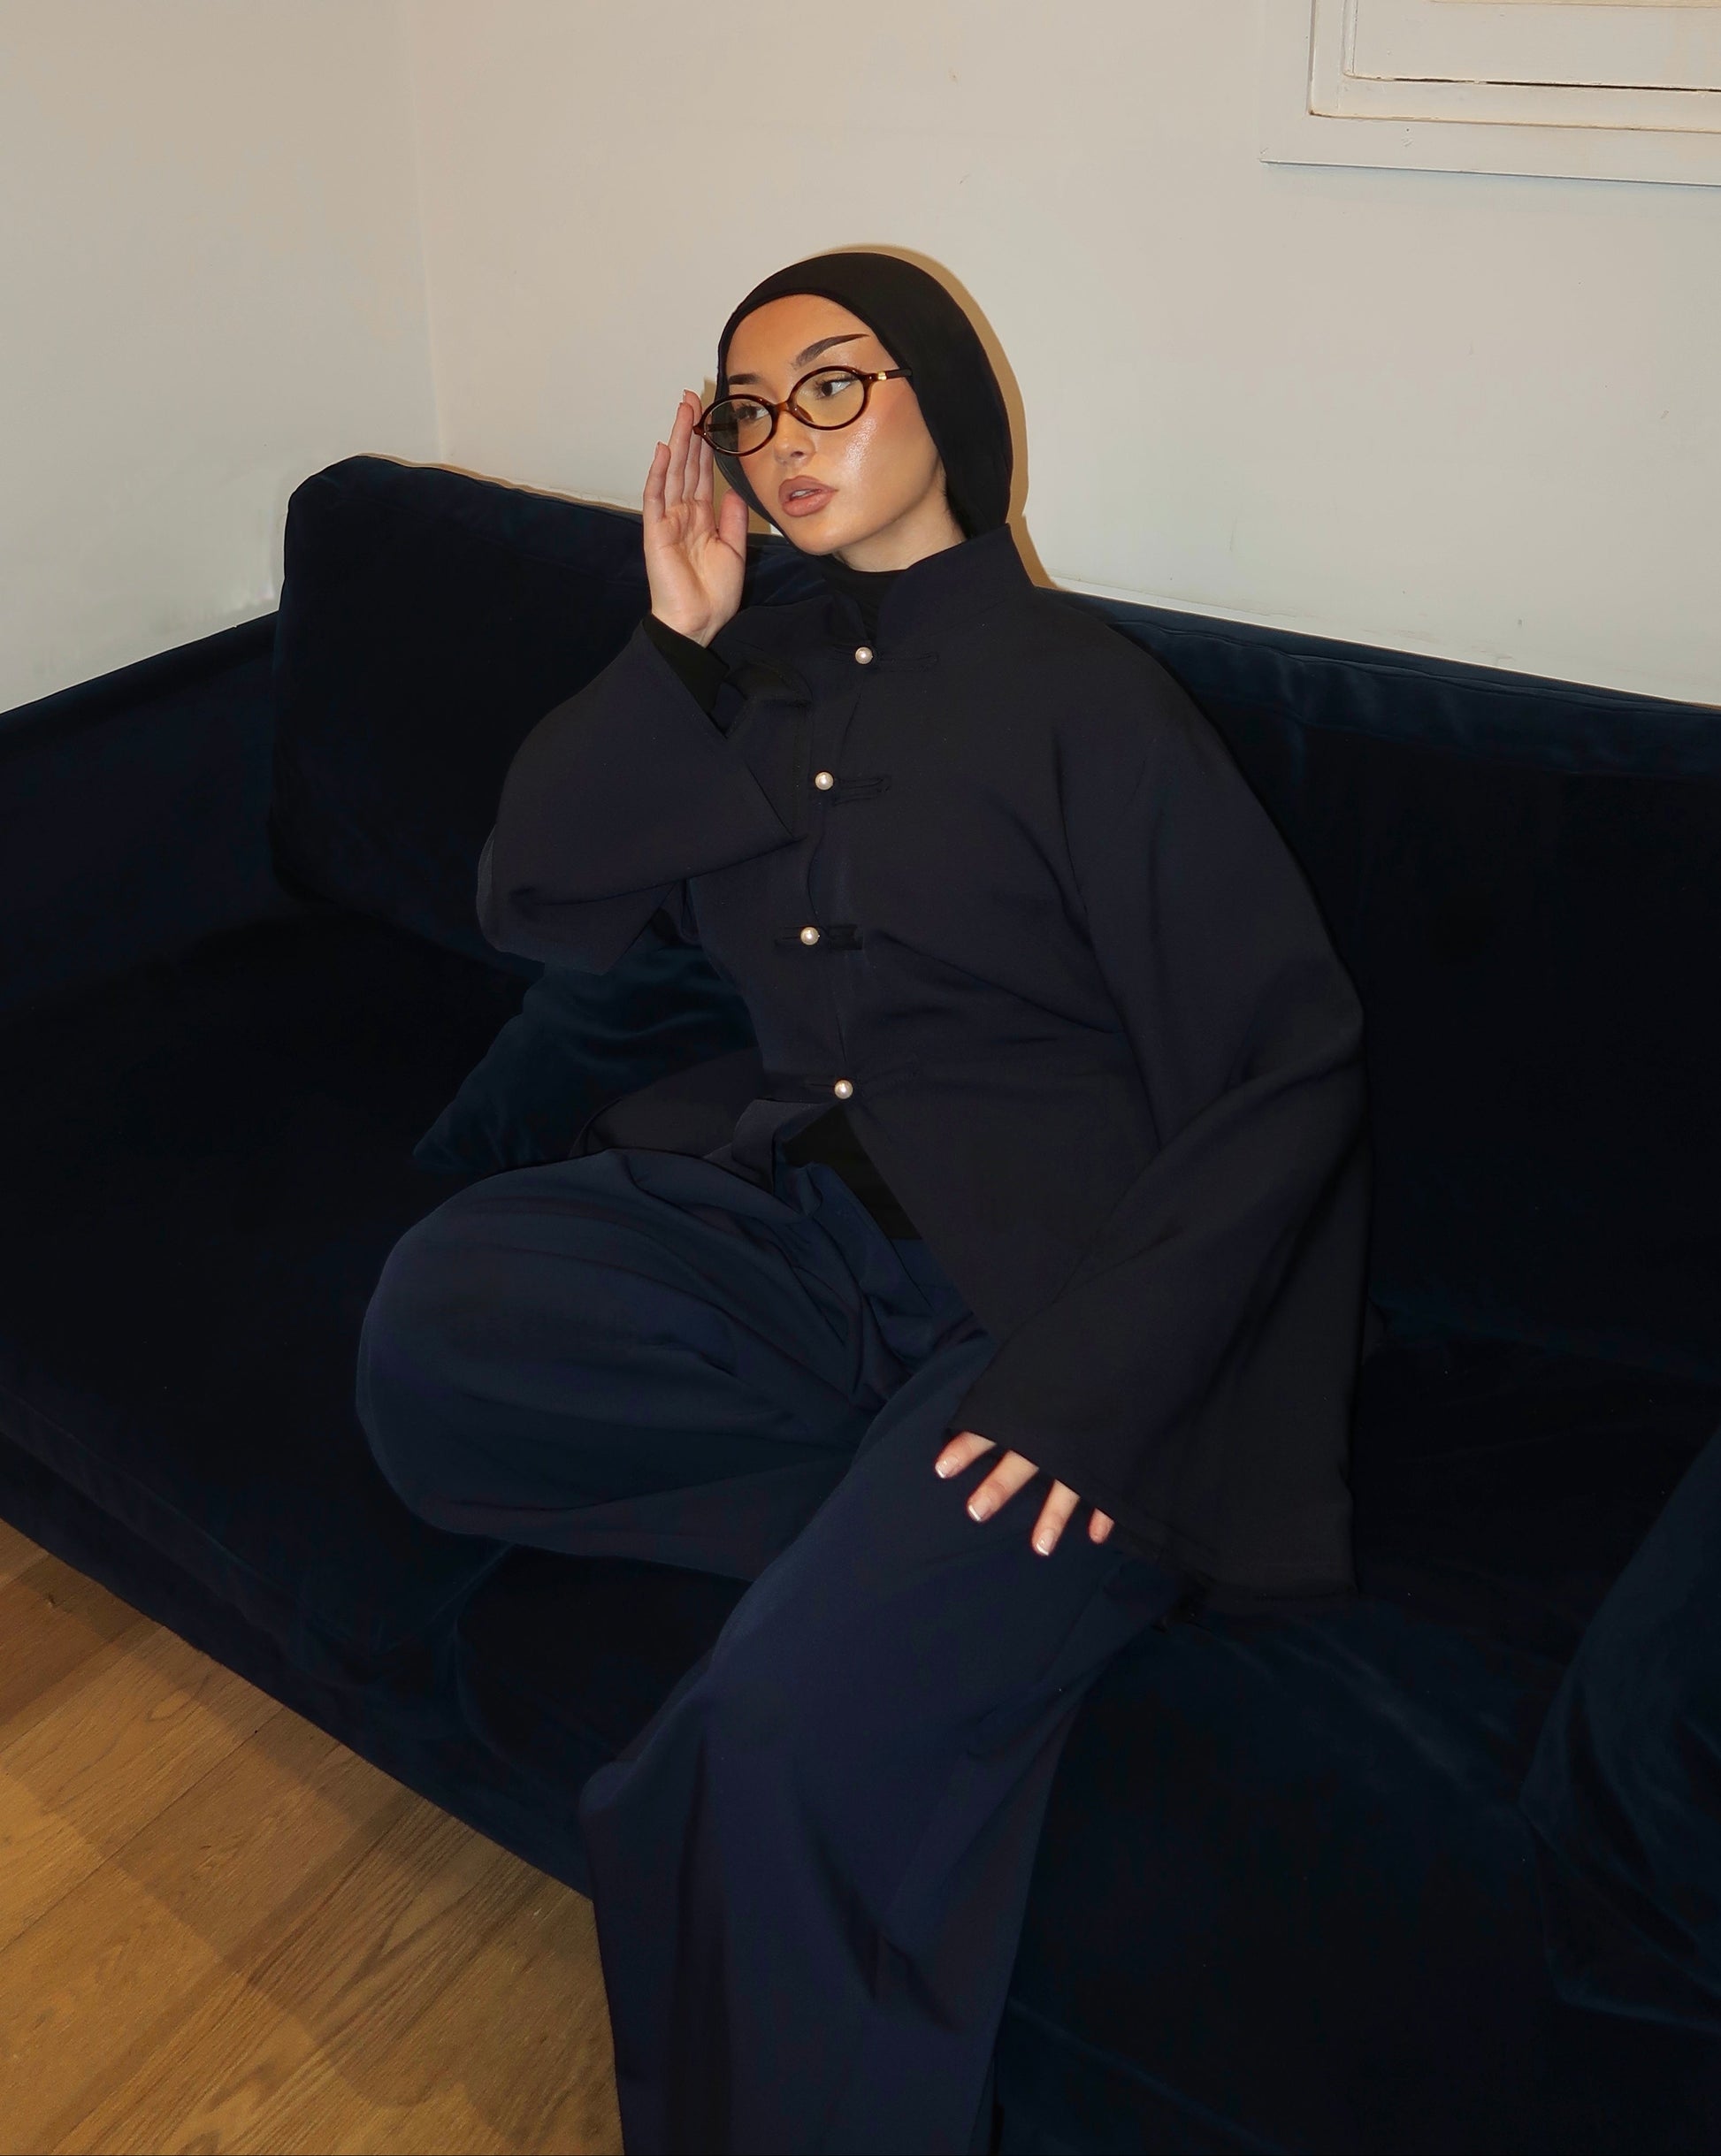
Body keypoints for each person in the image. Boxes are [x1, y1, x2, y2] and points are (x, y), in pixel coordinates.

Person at [356, 249, 1372, 2154]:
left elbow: (1286, 1066)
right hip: (803, 1249)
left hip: (1048, 1309)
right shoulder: (755, 681)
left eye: (831, 383)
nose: (784, 437)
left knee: (771, 1736)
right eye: (751, 409)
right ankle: (904, 1545)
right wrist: (676, 639)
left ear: (944, 404)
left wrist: (1091, 1397)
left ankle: (978, 1551)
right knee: (442, 1321)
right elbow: (536, 899)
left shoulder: (1088, 698)